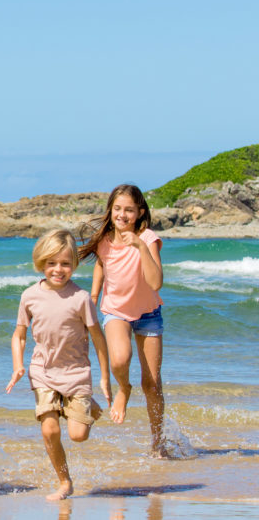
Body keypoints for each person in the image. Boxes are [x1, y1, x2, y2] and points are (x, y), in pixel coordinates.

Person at [6, 229, 111, 501]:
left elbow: (98, 339)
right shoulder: (29, 296)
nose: (58, 269)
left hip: (76, 373)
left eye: (65, 263)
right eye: (52, 263)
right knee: (50, 429)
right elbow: (19, 335)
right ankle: (65, 482)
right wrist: (18, 365)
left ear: (74, 265)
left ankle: (86, 405)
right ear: (41, 262)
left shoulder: (81, 298)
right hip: (42, 371)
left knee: (77, 436)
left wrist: (104, 377)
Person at [79, 184, 166, 456]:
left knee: (152, 384)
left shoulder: (149, 238)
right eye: (118, 209)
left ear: (140, 212)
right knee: (119, 359)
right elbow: (101, 264)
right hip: (116, 310)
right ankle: (123, 389)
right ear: (111, 210)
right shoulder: (105, 239)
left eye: (129, 210)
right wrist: (93, 298)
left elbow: (156, 282)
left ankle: (158, 442)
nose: (122, 215)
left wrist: (139, 246)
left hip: (149, 314)